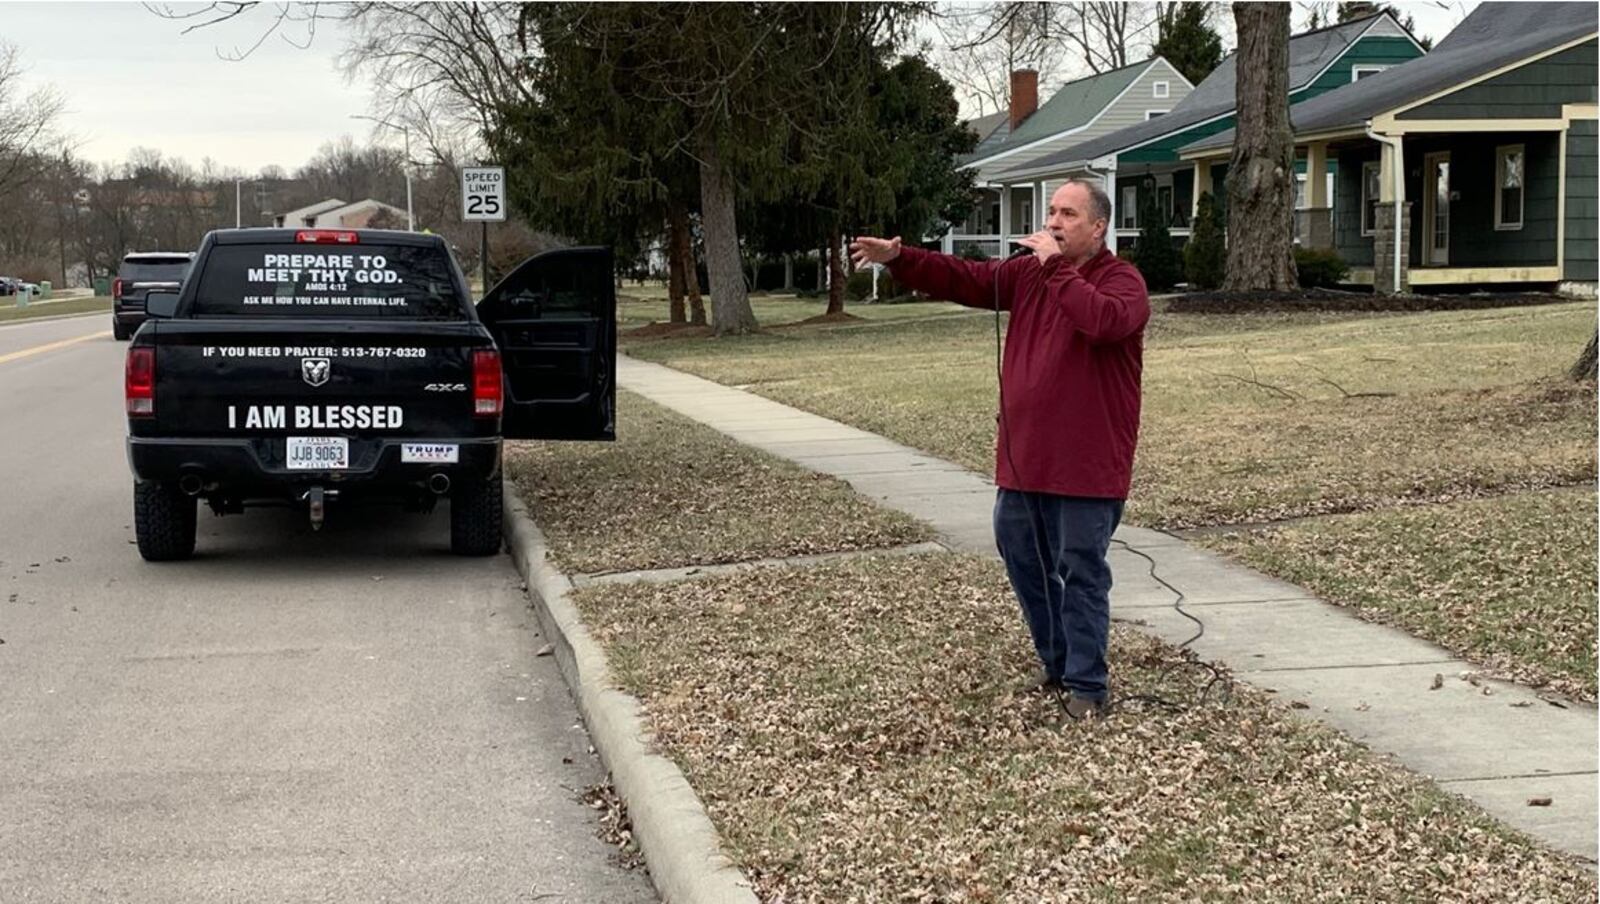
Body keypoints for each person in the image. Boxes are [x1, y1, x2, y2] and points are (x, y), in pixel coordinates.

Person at [849, 180, 1149, 720]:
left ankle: (1087, 685)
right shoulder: (1026, 274)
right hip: (1025, 457)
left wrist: (1056, 268)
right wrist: (901, 259)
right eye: (1051, 212)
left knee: (1080, 570)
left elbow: (1103, 323)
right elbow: (968, 279)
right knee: (1022, 558)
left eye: (1068, 214)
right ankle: (1057, 661)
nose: (1053, 222)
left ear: (1098, 227)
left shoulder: (1122, 282)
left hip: (1086, 465)